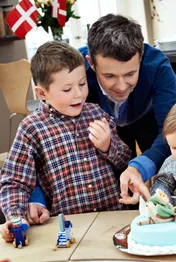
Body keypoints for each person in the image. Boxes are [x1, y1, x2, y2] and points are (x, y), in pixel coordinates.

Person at [27, 14, 176, 223]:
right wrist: (38, 199)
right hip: (99, 132)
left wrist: (138, 167)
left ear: (141, 57)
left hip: (147, 121)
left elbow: (172, 132)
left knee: (159, 165)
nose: (120, 85)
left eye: (130, 74)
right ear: (90, 63)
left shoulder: (158, 67)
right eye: (109, 76)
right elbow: (38, 150)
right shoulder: (75, 75)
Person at [0, 41, 131, 242]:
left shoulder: (96, 113)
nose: (78, 94)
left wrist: (108, 146)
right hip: (69, 228)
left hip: (112, 219)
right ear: (42, 93)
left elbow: (124, 160)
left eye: (82, 84)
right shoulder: (32, 129)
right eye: (67, 89)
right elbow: (14, 181)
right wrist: (15, 218)